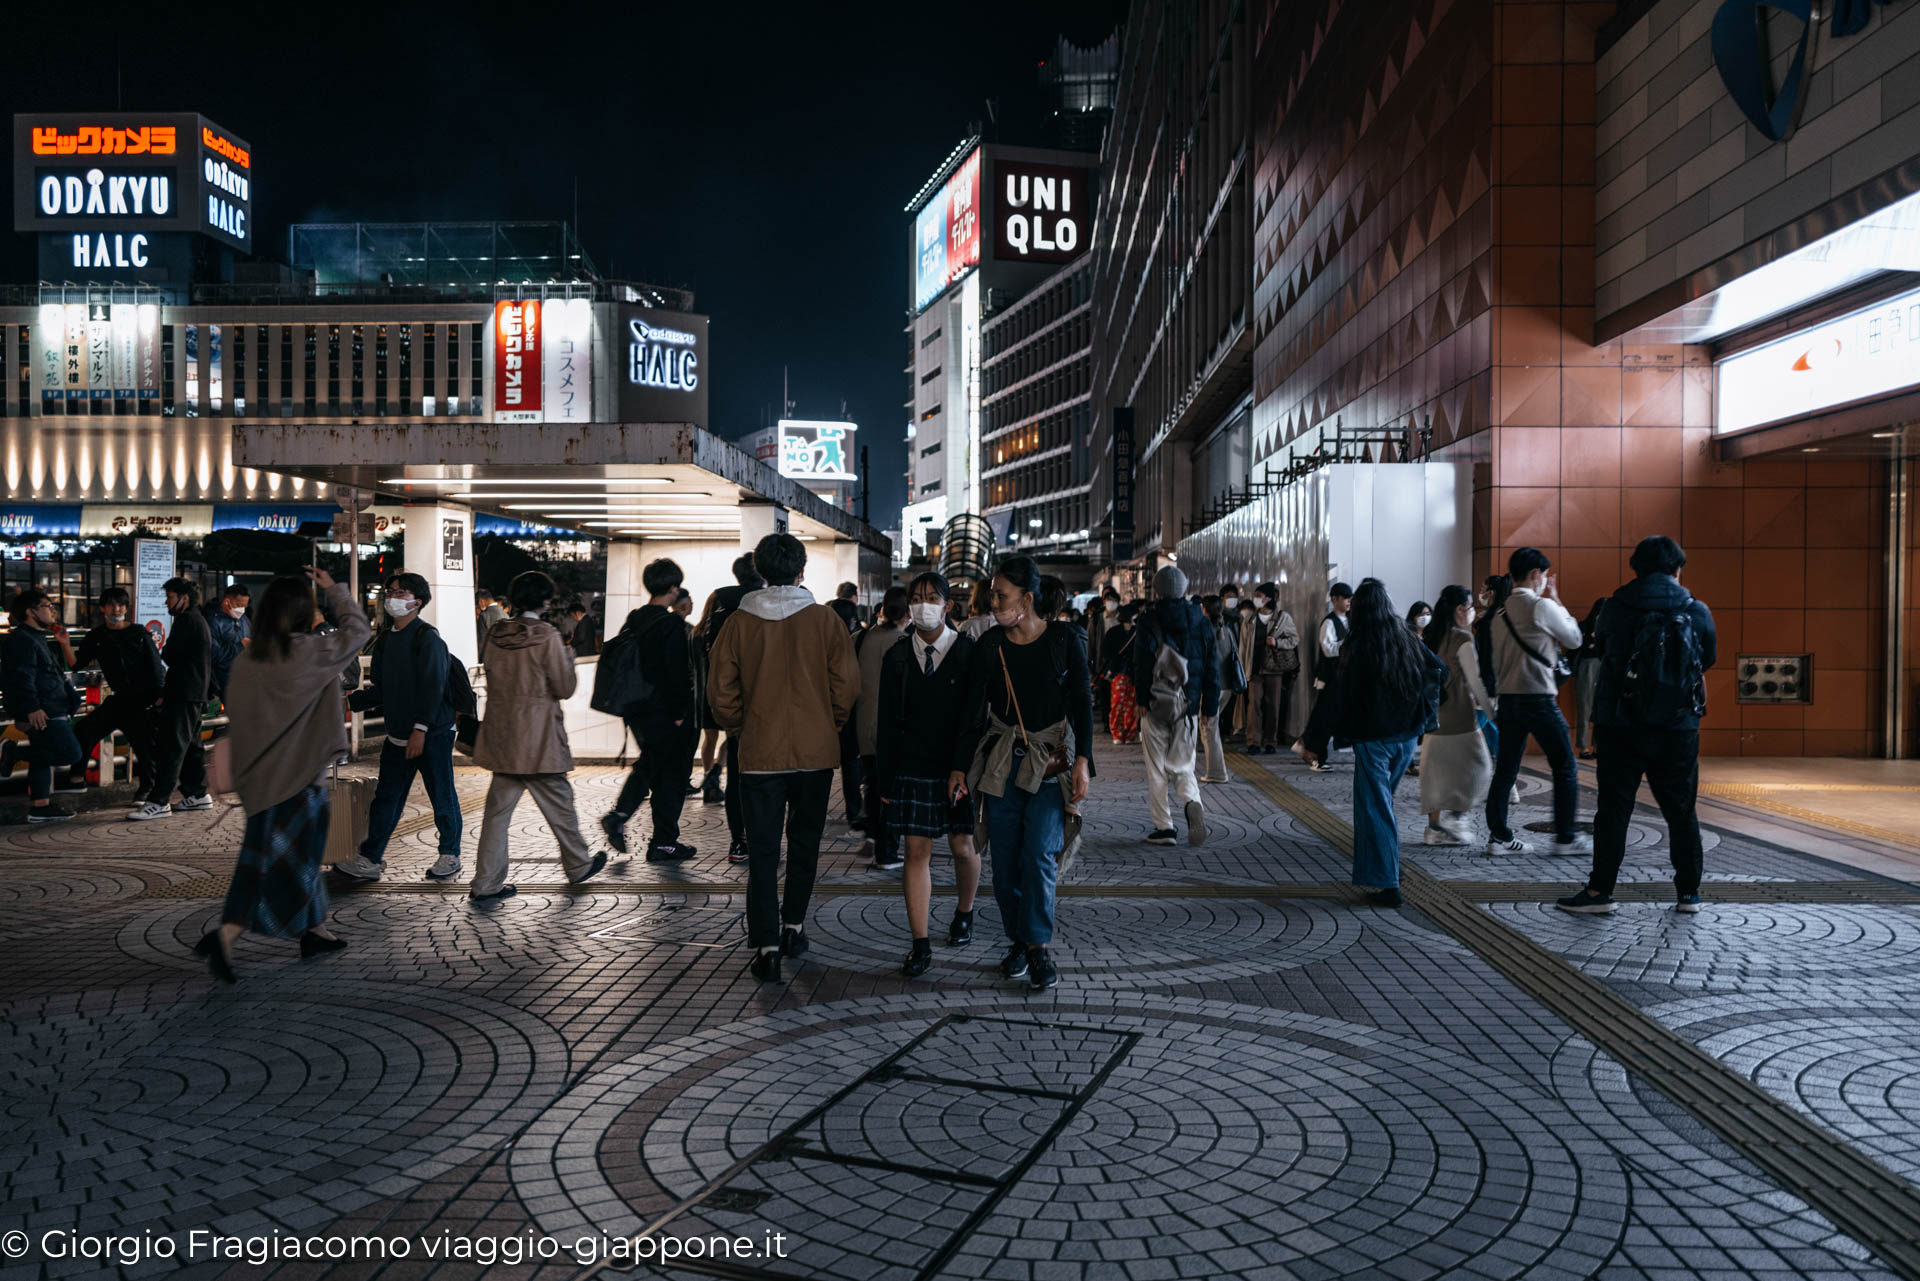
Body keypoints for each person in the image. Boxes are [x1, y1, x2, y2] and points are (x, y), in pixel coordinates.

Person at [198, 568, 373, 982]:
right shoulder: (310, 652)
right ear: (301, 613)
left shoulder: (247, 660)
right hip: (297, 780)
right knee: (277, 865)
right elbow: (358, 631)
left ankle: (316, 931)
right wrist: (335, 592)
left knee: (296, 858)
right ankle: (227, 934)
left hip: (258, 778)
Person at [708, 533, 859, 982]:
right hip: (814, 755)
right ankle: (794, 927)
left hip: (758, 755)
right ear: (802, 571)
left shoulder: (738, 622)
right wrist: (827, 723)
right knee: (806, 845)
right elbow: (846, 688)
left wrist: (742, 727)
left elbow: (721, 692)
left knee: (762, 852)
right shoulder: (826, 621)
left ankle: (767, 947)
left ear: (760, 570)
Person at [951, 556, 1093, 992]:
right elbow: (973, 711)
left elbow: (1082, 705)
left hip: (1050, 763)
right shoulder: (989, 646)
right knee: (1007, 863)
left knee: (1039, 855)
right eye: (993, 594)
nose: (993, 602)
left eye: (1001, 595)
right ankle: (1019, 941)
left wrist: (1084, 760)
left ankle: (1036, 947)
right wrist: (958, 766)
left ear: (1027, 599)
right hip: (1001, 764)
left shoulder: (1065, 640)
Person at [1557, 536, 1716, 915]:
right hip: (1678, 726)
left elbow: (1607, 652)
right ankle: (1688, 894)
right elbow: (1706, 658)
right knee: (1681, 810)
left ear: (1636, 568)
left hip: (1620, 723)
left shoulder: (1615, 607)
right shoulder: (1696, 609)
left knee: (1614, 809)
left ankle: (1599, 893)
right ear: (1678, 569)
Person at [1299, 579, 1445, 907]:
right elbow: (1440, 671)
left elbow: (1337, 696)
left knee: (1375, 809)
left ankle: (1387, 882)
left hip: (1374, 742)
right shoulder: (1406, 637)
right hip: (1405, 740)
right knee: (1382, 807)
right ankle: (1388, 867)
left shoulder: (1359, 644)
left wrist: (1315, 740)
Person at [469, 571, 608, 902]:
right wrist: (569, 661)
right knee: (560, 802)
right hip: (539, 737)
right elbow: (563, 687)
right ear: (545, 601)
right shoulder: (546, 636)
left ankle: (486, 883)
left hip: (502, 736)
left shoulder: (495, 634)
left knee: (496, 815)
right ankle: (578, 864)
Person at [878, 573, 982, 976]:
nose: (924, 605)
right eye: (917, 598)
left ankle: (964, 912)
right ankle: (919, 943)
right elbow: (885, 722)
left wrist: (963, 766)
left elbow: (976, 717)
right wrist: (885, 780)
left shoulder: (967, 653)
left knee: (962, 847)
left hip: (958, 767)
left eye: (932, 598)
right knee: (916, 852)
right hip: (913, 765)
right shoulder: (898, 656)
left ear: (948, 605)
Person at [335, 573, 462, 882]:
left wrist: (421, 729)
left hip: (432, 734)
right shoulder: (386, 639)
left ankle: (450, 854)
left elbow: (434, 687)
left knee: (441, 794)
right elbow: (381, 688)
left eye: (400, 592)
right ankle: (370, 858)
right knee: (387, 798)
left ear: (416, 602)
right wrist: (349, 704)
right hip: (397, 735)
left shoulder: (427, 638)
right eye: (390, 591)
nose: (392, 597)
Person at [1485, 548, 1589, 855]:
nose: (1544, 581)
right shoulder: (1542, 606)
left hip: (1509, 699)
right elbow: (1574, 639)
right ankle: (1566, 838)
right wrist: (1558, 602)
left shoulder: (1499, 614)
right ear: (1535, 574)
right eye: (1543, 575)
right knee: (1565, 766)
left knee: (1505, 770)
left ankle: (1499, 837)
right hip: (1539, 699)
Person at [599, 558, 700, 862]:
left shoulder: (636, 618)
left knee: (653, 765)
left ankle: (651, 832)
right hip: (665, 712)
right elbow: (676, 672)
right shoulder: (670, 624)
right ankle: (651, 834)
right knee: (671, 775)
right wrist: (681, 712)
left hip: (636, 709)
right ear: (672, 587)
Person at [1133, 564, 1217, 845]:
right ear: (1184, 589)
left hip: (1156, 705)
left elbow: (1142, 665)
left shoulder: (1148, 621)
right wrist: (1209, 709)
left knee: (1156, 769)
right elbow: (1211, 670)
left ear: (1157, 590)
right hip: (1188, 707)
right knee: (1183, 766)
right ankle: (1192, 802)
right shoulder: (1202, 622)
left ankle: (1165, 827)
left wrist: (1141, 700)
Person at [130, 579, 214, 821]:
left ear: (184, 597)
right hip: (194, 693)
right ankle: (197, 794)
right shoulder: (199, 619)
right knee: (192, 747)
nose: (166, 601)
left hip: (184, 694)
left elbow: (170, 654)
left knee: (172, 747)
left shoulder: (187, 621)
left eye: (170, 596)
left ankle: (159, 801)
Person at [698, 554, 764, 863]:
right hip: (764, 704)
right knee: (768, 778)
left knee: (738, 777)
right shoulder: (767, 602)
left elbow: (705, 646)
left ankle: (739, 841)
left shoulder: (720, 599)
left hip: (728, 701)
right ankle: (764, 839)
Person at [1418, 585, 1495, 845]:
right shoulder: (1462, 639)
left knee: (1435, 777)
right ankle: (1457, 816)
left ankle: (1434, 829)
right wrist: (1492, 712)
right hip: (1461, 719)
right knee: (1481, 768)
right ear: (1461, 610)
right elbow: (1475, 682)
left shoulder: (1431, 635)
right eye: (1471, 607)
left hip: (1433, 719)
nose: (1473, 612)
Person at [70, 587, 165, 794]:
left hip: (143, 699)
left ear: (126, 608)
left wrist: (159, 695)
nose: (116, 609)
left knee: (144, 746)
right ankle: (77, 777)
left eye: (121, 604)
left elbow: (156, 665)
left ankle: (147, 789)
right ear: (102, 608)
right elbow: (77, 664)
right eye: (111, 604)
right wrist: (63, 643)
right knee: (84, 730)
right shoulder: (97, 635)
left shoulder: (139, 633)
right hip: (120, 700)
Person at [1, 589, 84, 821]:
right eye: (47, 606)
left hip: (49, 706)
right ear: (31, 612)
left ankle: (40, 806)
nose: (52, 611)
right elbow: (22, 676)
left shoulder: (35, 637)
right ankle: (14, 751)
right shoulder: (23, 640)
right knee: (71, 752)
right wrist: (32, 707)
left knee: (42, 755)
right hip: (44, 710)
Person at [854, 585, 910, 870]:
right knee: (890, 789)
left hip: (864, 726)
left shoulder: (863, 637)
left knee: (873, 785)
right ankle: (887, 851)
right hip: (892, 730)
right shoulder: (905, 643)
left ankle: (874, 839)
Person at [1244, 581, 1301, 754]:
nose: (1256, 599)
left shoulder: (1283, 618)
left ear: (1269, 598)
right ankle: (1254, 741)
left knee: (1273, 706)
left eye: (1259, 596)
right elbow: (1243, 645)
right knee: (1254, 705)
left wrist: (1277, 642)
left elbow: (1294, 639)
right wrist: (1242, 667)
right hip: (1254, 669)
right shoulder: (1249, 619)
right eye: (1255, 596)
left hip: (1274, 669)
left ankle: (1270, 741)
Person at [1304, 582, 1353, 772]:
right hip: (1330, 680)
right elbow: (1328, 649)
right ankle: (1316, 755)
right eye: (1345, 598)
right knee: (1323, 719)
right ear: (1335, 599)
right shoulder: (1329, 622)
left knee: (1327, 718)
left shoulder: (1350, 621)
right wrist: (1346, 645)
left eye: (1350, 598)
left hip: (1345, 680)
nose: (1349, 602)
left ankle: (1309, 748)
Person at [1198, 595, 1241, 784]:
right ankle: (1215, 771)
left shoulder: (1205, 631)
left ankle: (1217, 772)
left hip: (1212, 688)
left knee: (1208, 728)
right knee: (1210, 727)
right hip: (1227, 687)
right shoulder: (1227, 630)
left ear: (1205, 610)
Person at [1573, 596, 1609, 759]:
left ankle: (1597, 746)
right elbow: (1581, 645)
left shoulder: (1609, 627)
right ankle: (1583, 747)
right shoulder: (1584, 626)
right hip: (1587, 666)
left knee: (1601, 709)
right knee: (1585, 707)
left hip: (1603, 666)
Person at [205, 584, 252, 707]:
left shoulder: (244, 620)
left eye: (245, 606)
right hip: (224, 683)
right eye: (239, 605)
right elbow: (213, 655)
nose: (242, 610)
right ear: (226, 601)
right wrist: (240, 647)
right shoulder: (213, 622)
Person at [1103, 603, 1141, 744]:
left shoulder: (1139, 631)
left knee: (1131, 704)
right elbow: (1106, 651)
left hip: (1133, 672)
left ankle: (1130, 733)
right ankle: (1117, 733)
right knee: (1118, 703)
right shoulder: (1113, 632)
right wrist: (1116, 659)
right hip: (1118, 670)